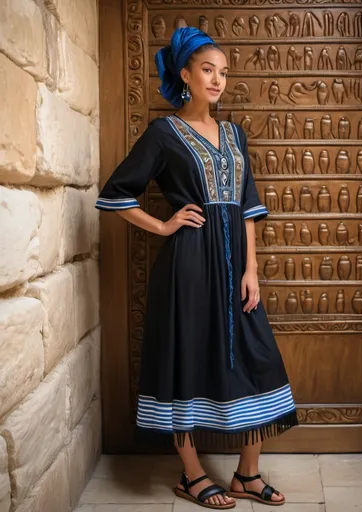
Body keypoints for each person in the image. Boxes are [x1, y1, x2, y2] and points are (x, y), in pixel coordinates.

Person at [96, 27, 298, 509]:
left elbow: (248, 206)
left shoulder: (234, 135)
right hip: (188, 268)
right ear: (185, 74)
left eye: (224, 72)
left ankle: (247, 475)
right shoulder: (163, 134)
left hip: (236, 271)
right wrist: (164, 227)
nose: (218, 79)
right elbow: (115, 195)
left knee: (258, 358)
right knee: (184, 359)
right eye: (208, 69)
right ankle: (191, 475)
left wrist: (253, 269)